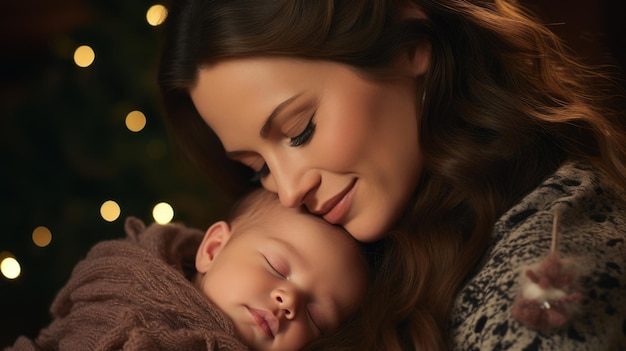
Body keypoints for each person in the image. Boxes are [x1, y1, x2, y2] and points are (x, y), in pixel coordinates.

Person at [157, 0, 626, 350]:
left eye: (300, 131)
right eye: (258, 167)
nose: (290, 189)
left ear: (410, 48)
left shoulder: (553, 264)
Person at [5, 189, 368, 351]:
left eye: (316, 317)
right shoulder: (127, 297)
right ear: (212, 250)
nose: (288, 300)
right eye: (277, 267)